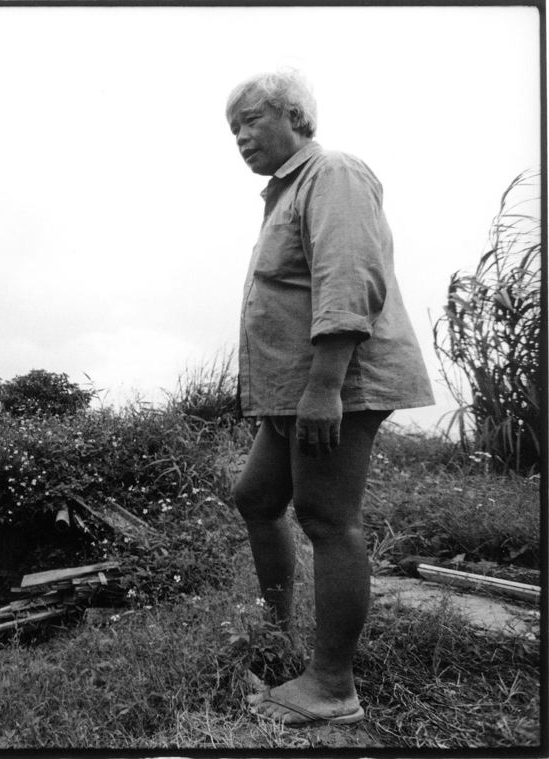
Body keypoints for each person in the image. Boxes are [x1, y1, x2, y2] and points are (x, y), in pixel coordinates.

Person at [225, 70, 434, 725]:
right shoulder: (285, 193)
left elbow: (348, 279)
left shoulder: (332, 173)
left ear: (294, 115)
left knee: (326, 517)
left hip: (337, 379)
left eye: (249, 120)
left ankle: (332, 685)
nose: (239, 137)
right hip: (296, 390)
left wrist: (323, 388)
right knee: (256, 497)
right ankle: (278, 640)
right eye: (232, 129)